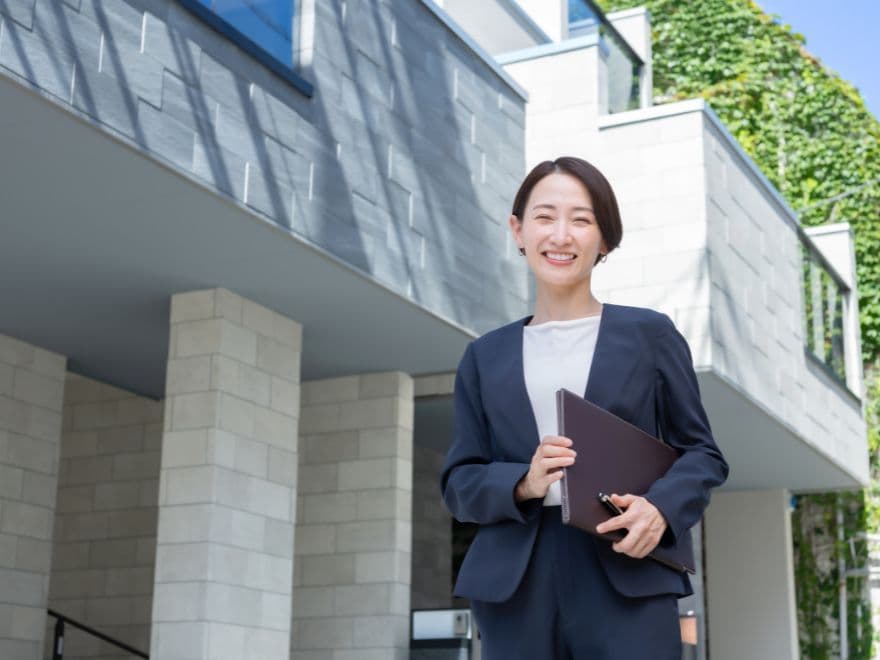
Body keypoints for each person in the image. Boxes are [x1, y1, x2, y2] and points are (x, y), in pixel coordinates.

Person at [440, 157, 729, 659]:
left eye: (581, 219)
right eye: (545, 217)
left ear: (605, 240)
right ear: (518, 230)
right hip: (517, 583)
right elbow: (459, 483)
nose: (561, 235)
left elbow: (702, 455)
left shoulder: (650, 336)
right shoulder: (484, 356)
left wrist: (660, 509)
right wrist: (524, 482)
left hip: (626, 570)